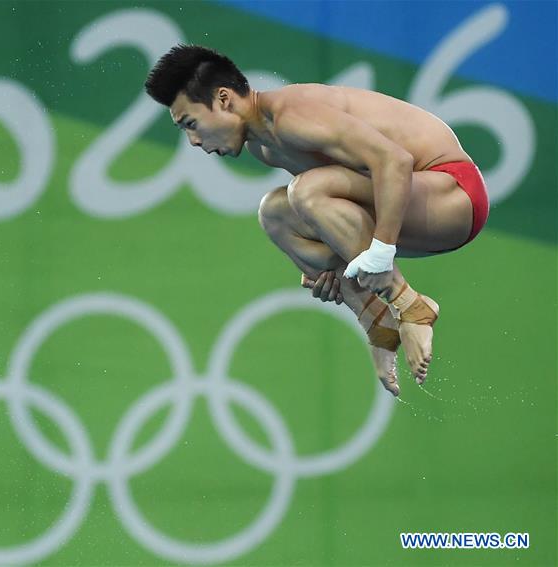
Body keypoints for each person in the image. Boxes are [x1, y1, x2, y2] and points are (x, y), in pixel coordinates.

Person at [144, 45, 489, 396]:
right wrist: (334, 275)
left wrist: (379, 256)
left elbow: (394, 161)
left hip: (453, 194)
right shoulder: (261, 146)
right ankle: (377, 322)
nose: (193, 140)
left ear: (223, 99)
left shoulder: (292, 116)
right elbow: (340, 209)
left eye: (191, 123)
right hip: (406, 208)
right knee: (275, 212)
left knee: (308, 190)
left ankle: (409, 306)